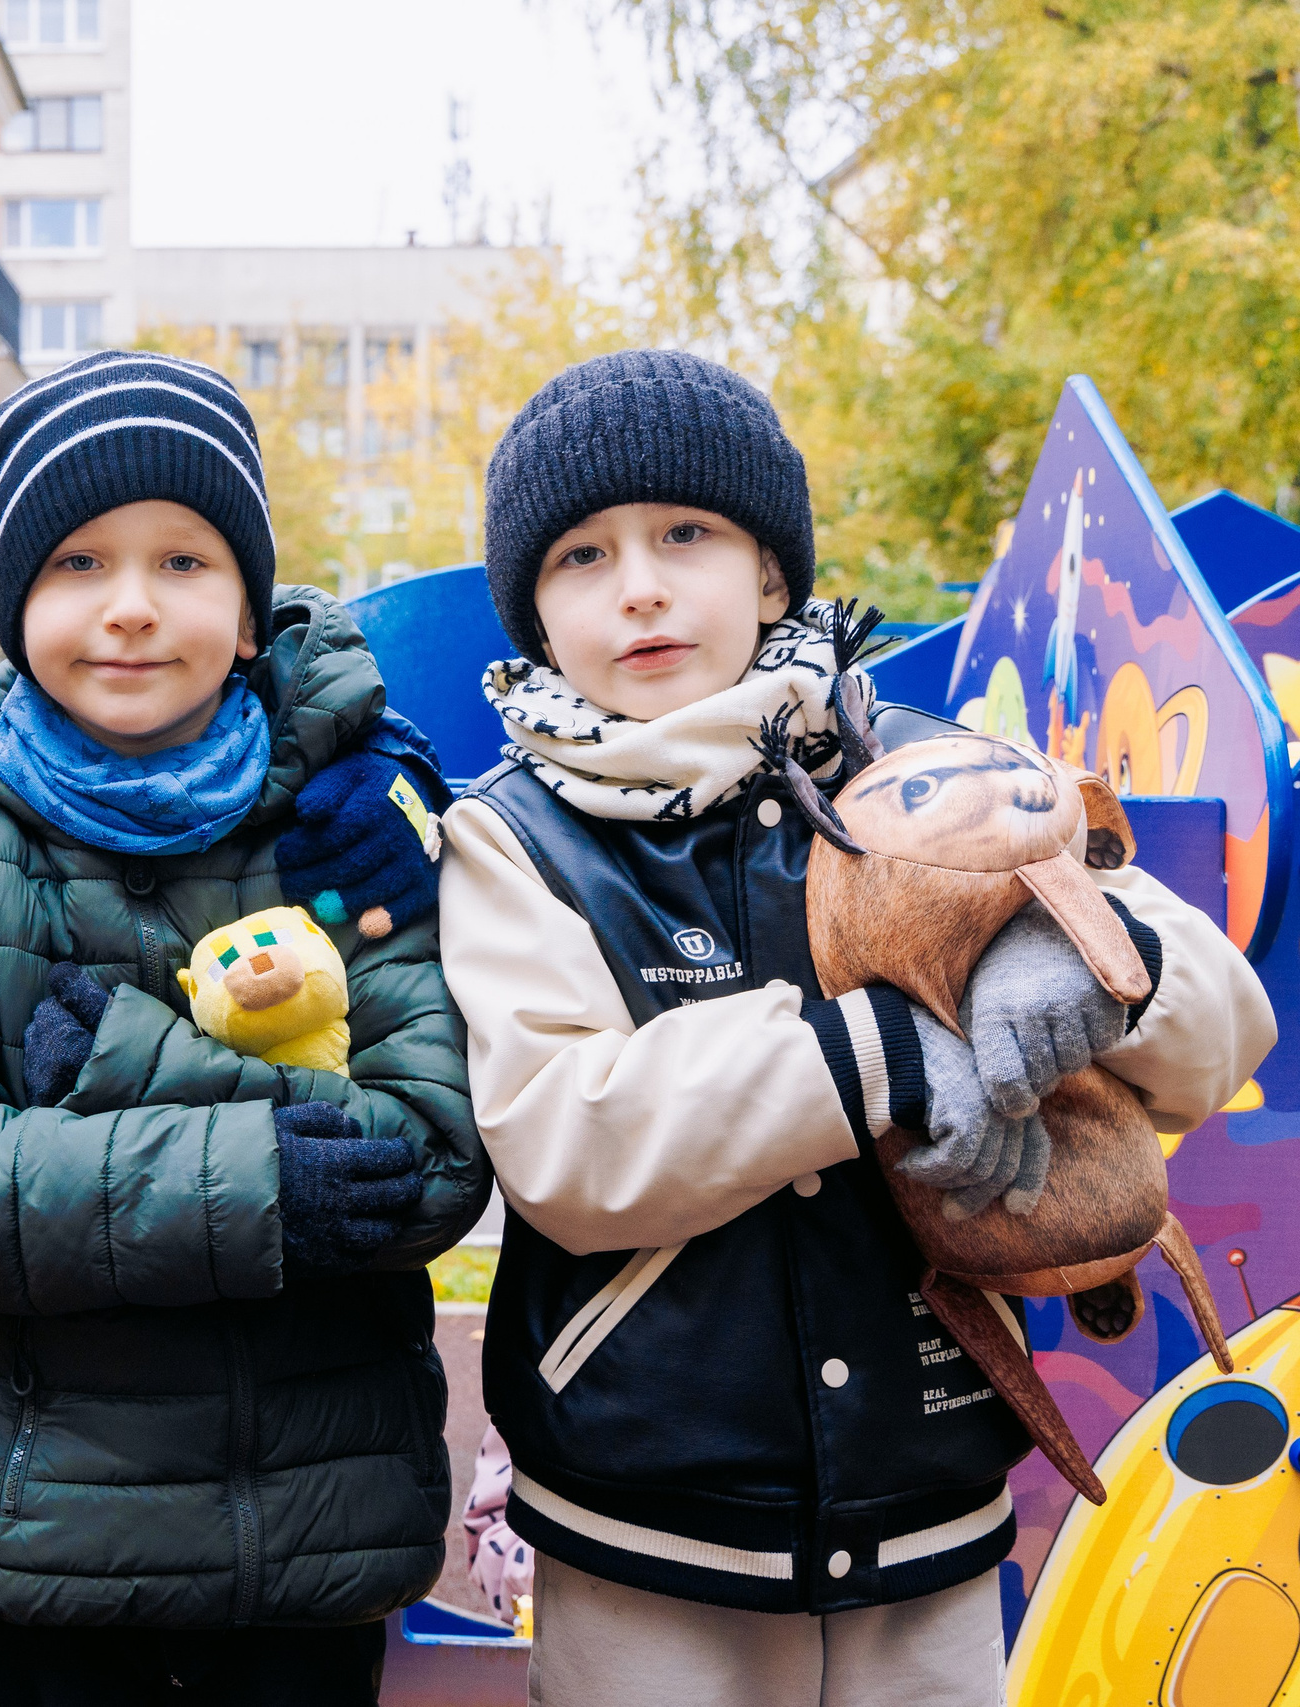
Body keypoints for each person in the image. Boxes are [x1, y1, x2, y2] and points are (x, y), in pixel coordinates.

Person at [440, 349, 1277, 1705]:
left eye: (687, 533)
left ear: (773, 572)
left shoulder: (929, 773)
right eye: (581, 557)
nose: (640, 582)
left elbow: (1218, 1033)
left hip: (927, 1484)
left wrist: (1077, 951)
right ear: (535, 612)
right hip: (649, 1518)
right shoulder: (516, 839)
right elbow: (569, 1144)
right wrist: (881, 1048)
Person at [0, 350, 489, 1707]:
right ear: (14, 611)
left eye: (183, 561)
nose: (129, 607)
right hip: (37, 1566)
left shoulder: (342, 830)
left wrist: (128, 1063)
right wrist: (269, 1188)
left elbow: (424, 1154)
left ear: (252, 611)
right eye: (76, 563)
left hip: (304, 1557)